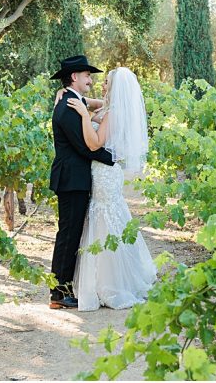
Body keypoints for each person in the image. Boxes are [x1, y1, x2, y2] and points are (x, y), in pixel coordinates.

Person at [65, 67, 156, 311]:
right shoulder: (110, 108)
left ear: (115, 88)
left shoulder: (113, 113)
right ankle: (106, 276)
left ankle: (111, 281)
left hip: (104, 173)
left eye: (106, 82)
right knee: (106, 216)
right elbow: (95, 103)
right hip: (104, 172)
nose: (102, 85)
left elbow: (95, 144)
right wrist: (70, 96)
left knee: (105, 217)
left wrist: (85, 115)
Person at [47, 55, 116, 310]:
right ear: (74, 77)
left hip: (74, 179)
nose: (91, 79)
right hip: (72, 180)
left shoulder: (72, 100)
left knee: (71, 234)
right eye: (87, 75)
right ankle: (58, 293)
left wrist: (110, 103)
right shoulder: (69, 108)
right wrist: (114, 158)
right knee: (68, 236)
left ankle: (61, 288)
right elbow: (88, 147)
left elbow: (96, 102)